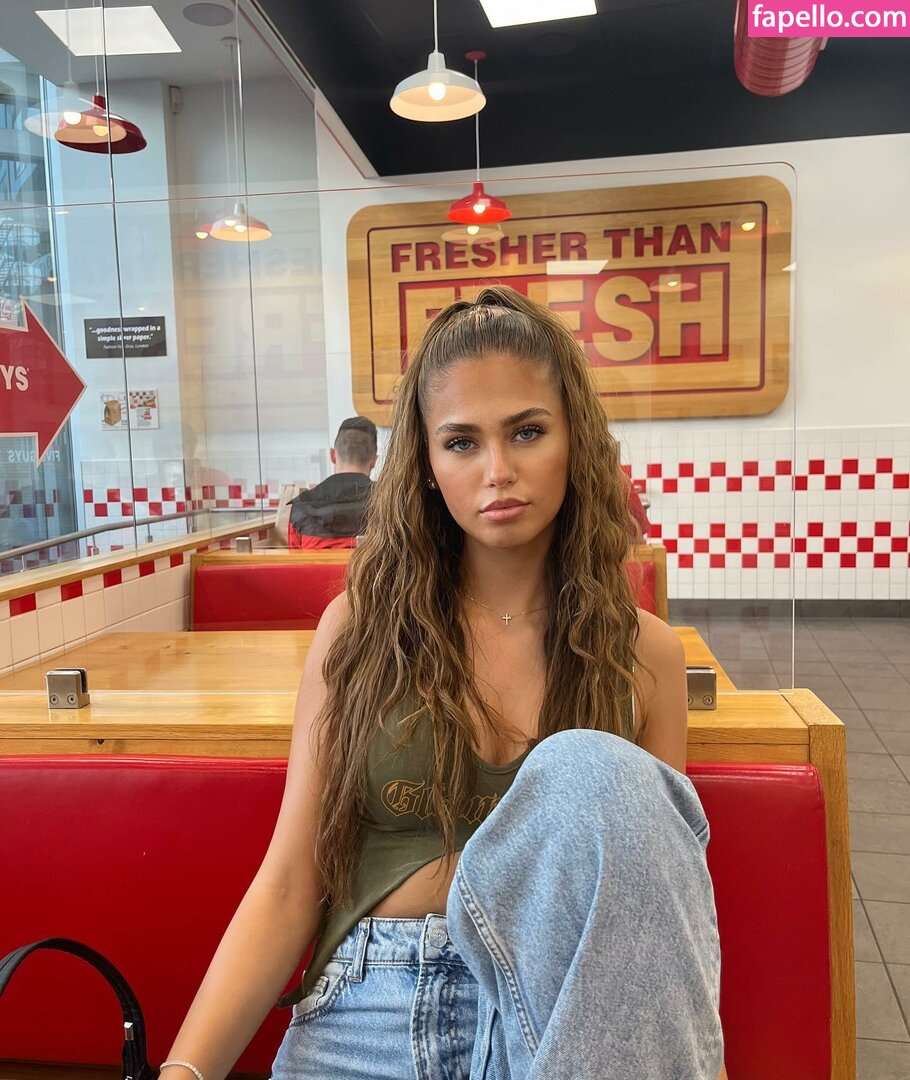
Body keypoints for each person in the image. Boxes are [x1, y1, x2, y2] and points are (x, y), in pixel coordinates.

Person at [160, 287, 726, 1080]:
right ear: (426, 466)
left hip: (556, 1010)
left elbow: (656, 910)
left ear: (575, 442)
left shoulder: (645, 654)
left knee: (596, 771)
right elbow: (288, 883)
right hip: (368, 1002)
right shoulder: (359, 629)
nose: (498, 471)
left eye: (527, 432)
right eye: (462, 442)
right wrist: (184, 1072)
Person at [286, 416, 377, 549]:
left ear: (333, 455)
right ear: (374, 461)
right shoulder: (389, 504)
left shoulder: (300, 508)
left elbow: (292, 559)